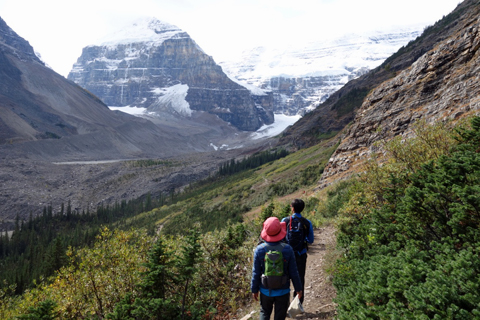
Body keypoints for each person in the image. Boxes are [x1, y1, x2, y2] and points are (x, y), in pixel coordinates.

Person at [251, 217, 303, 320]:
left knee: (264, 312)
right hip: (283, 291)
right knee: (280, 315)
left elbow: (256, 273)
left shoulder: (259, 250)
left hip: (265, 290)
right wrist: (298, 288)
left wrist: (254, 289)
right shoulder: (288, 249)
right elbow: (294, 272)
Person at [282, 199, 314, 304]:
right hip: (301, 254)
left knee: (284, 280)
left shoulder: (285, 220)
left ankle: (283, 305)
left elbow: (280, 237)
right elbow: (311, 240)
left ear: (293, 208)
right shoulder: (307, 222)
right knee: (299, 279)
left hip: (286, 255)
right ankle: (297, 305)